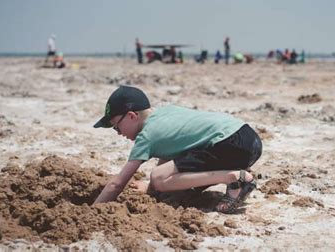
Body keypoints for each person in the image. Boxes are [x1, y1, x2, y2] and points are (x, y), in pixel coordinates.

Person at [92, 86, 263, 214]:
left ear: (131, 116)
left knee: (158, 177)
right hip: (249, 138)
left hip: (228, 144)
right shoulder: (166, 112)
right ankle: (235, 174)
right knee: (171, 186)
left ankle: (235, 178)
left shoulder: (147, 136)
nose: (119, 133)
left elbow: (117, 184)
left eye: (117, 127)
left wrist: (94, 210)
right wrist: (150, 189)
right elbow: (171, 159)